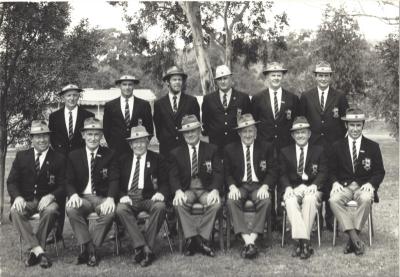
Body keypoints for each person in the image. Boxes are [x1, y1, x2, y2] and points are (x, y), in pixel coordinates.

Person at [7, 120, 66, 268]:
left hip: (46, 200)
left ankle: (34, 252)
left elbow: (64, 185)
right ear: (32, 138)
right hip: (26, 200)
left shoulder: (58, 158)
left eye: (45, 136)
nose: (42, 140)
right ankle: (39, 251)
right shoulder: (22, 156)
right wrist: (18, 197)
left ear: (49, 137)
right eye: (38, 136)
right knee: (15, 211)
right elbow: (12, 182)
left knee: (51, 210)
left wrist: (51, 196)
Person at [299, 61, 349, 230]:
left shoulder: (340, 96)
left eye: (326, 75)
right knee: (314, 179)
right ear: (315, 76)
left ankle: (330, 217)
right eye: (320, 75)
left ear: (330, 77)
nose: (323, 78)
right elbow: (302, 121)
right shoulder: (306, 96)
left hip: (333, 146)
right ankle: (315, 218)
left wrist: (339, 142)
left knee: (331, 180)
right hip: (313, 147)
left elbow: (345, 122)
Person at [329, 108, 385, 255]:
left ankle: (351, 241)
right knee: (333, 200)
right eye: (351, 125)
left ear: (363, 125)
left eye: (358, 125)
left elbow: (380, 171)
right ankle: (355, 238)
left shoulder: (373, 146)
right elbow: (331, 171)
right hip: (344, 187)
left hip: (363, 188)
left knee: (366, 198)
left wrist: (371, 184)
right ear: (346, 125)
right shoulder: (336, 146)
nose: (355, 129)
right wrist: (335, 182)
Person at [251, 62, 299, 230]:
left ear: (282, 76)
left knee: (284, 182)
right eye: (273, 74)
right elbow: (254, 124)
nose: (276, 77)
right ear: (267, 77)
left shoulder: (292, 98)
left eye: (279, 74)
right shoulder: (257, 98)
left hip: (286, 147)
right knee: (267, 182)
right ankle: (269, 218)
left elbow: (296, 123)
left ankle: (281, 218)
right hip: (265, 148)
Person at [65, 117, 118, 267]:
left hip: (101, 198)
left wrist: (110, 198)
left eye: (96, 134)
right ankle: (91, 249)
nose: (93, 138)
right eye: (89, 134)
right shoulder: (74, 155)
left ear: (101, 136)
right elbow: (68, 181)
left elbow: (114, 179)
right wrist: (73, 194)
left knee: (110, 212)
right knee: (71, 208)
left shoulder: (110, 154)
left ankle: (88, 250)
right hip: (83, 198)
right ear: (83, 135)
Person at [224, 114, 277, 259]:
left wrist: (265, 186)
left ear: (256, 132)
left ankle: (251, 238)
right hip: (240, 186)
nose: (248, 135)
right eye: (244, 131)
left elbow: (273, 170)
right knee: (231, 201)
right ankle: (249, 241)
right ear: (239, 133)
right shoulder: (230, 149)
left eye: (250, 131)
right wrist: (232, 187)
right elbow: (227, 173)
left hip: (258, 186)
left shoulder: (266, 147)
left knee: (266, 201)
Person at [115, 125, 168, 267]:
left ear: (148, 141)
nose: (139, 145)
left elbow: (165, 182)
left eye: (142, 141)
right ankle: (144, 248)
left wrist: (161, 193)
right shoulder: (122, 160)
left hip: (148, 198)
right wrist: (121, 195)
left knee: (160, 206)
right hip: (128, 198)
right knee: (120, 209)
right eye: (135, 142)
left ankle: (144, 248)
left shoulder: (157, 158)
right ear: (130, 144)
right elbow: (115, 183)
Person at [170, 115, 223, 257]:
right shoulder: (176, 153)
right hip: (188, 190)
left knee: (216, 204)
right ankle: (195, 238)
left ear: (199, 130)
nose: (190, 134)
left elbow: (218, 172)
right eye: (187, 132)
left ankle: (200, 239)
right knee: (179, 203)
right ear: (183, 134)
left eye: (193, 130)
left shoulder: (212, 149)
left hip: (206, 189)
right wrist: (177, 191)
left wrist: (215, 190)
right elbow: (173, 175)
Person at [48, 84, 94, 242]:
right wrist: (60, 155)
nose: (72, 98)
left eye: (75, 95)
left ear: (78, 97)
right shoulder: (54, 117)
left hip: (80, 161)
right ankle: (57, 233)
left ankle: (83, 232)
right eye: (68, 95)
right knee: (59, 195)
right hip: (60, 161)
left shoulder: (87, 115)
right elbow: (52, 139)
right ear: (63, 97)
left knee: (80, 194)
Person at [279, 116, 328, 259]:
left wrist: (314, 185)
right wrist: (287, 188)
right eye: (297, 133)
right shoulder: (285, 151)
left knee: (311, 199)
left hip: (312, 188)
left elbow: (323, 171)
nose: (300, 135)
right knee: (290, 201)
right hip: (293, 188)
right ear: (293, 135)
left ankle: (299, 243)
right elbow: (281, 174)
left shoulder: (319, 150)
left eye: (303, 132)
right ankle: (305, 242)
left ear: (309, 134)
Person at [202, 64, 251, 155]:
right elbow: (206, 122)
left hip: (237, 145)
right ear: (216, 81)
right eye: (220, 79)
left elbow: (248, 121)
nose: (223, 81)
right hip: (215, 146)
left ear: (231, 78)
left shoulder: (243, 98)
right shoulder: (208, 99)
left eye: (225, 78)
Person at [153, 65, 200, 157]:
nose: (178, 82)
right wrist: (165, 140)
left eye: (180, 79)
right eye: (174, 80)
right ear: (167, 82)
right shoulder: (159, 104)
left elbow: (196, 126)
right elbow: (158, 129)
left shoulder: (191, 101)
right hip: (166, 151)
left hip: (187, 149)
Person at [103, 75, 153, 155]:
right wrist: (113, 145)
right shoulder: (110, 105)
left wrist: (141, 145)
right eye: (124, 84)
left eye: (130, 84)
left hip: (137, 149)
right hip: (116, 150)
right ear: (120, 86)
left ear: (134, 86)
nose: (127, 87)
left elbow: (149, 129)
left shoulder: (144, 105)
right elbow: (106, 129)